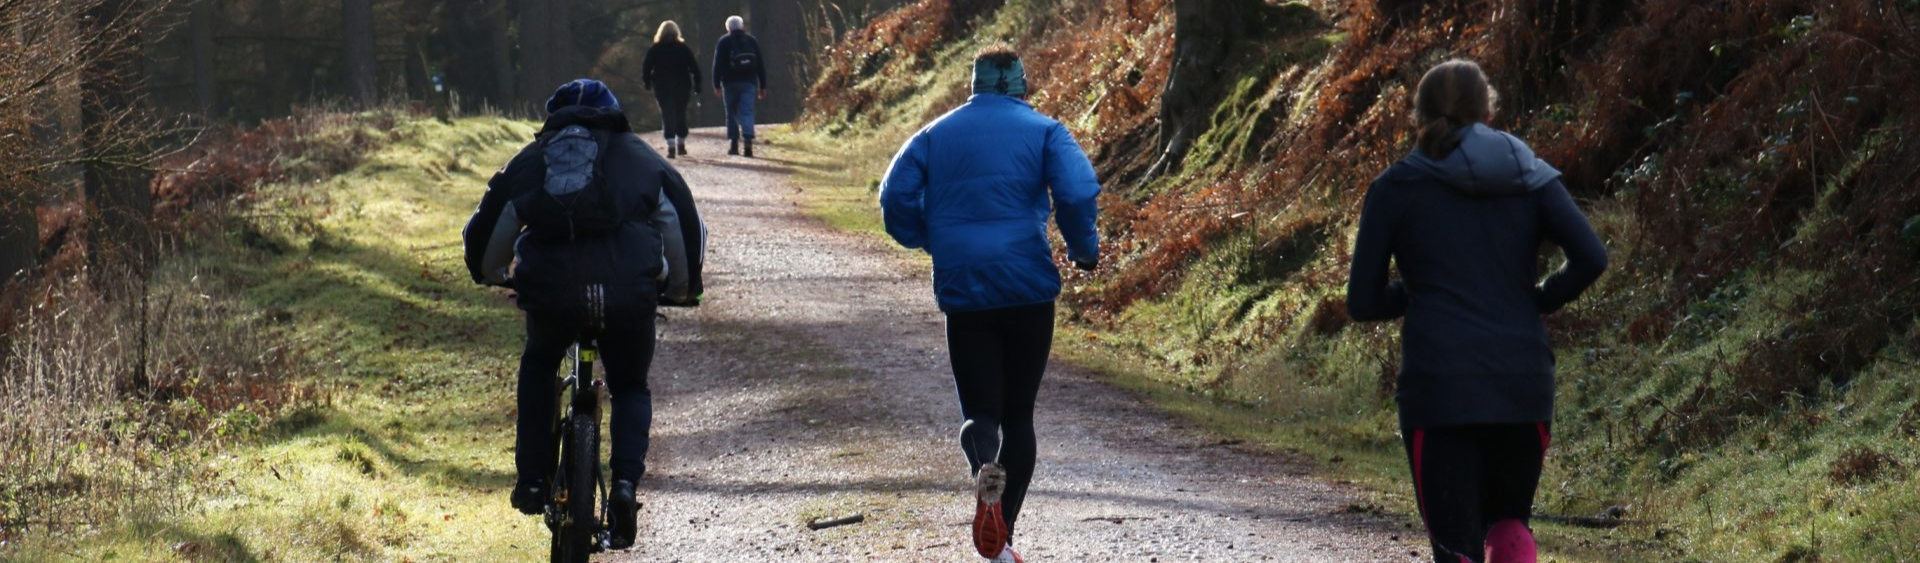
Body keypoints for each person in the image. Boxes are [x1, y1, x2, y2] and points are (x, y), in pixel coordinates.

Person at [1346, 59, 1607, 563]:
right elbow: (1592, 257)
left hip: (1439, 389)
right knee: (1510, 528)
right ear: (1487, 111)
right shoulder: (1529, 174)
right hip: (1521, 381)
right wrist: (1540, 297)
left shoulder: (1395, 188)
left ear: (1419, 116)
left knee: (1455, 545)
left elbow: (1362, 302)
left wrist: (1414, 292)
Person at [461, 78, 707, 551]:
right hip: (626, 294)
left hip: (552, 294)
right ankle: (624, 486)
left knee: (539, 362)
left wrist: (492, 273)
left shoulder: (531, 161)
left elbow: (490, 228)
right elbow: (680, 222)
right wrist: (680, 287)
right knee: (631, 384)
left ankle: (533, 478)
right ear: (613, 114)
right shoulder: (640, 158)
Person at [877, 44, 1100, 563]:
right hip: (1027, 288)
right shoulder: (1046, 130)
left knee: (982, 411)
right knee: (1019, 415)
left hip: (966, 289)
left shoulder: (934, 134)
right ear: (1023, 85)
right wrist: (1084, 250)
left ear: (972, 84)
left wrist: (930, 239)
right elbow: (1078, 191)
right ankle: (1006, 535)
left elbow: (893, 199)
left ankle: (984, 474)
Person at [643, 20, 701, 159]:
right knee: (680, 113)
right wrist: (697, 84)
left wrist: (647, 82)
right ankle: (681, 143)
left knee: (667, 114)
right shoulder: (683, 48)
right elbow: (694, 67)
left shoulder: (655, 49)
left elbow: (646, 66)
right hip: (682, 85)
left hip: (662, 86)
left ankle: (670, 145)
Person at [711, 15, 766, 157]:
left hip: (730, 83)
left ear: (728, 27)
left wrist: (716, 84)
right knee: (746, 111)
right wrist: (762, 85)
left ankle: (734, 144)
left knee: (731, 112)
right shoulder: (751, 40)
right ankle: (748, 142)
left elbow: (717, 65)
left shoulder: (723, 42)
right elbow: (760, 64)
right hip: (749, 82)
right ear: (742, 26)